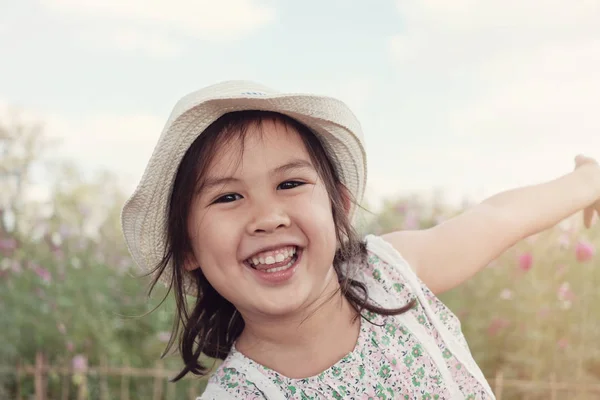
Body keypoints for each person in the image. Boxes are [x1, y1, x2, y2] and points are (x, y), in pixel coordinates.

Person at [120, 80, 600, 399]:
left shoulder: (389, 271)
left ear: (339, 207)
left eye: (290, 184)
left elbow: (497, 218)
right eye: (227, 197)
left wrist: (585, 184)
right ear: (186, 247)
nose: (267, 217)